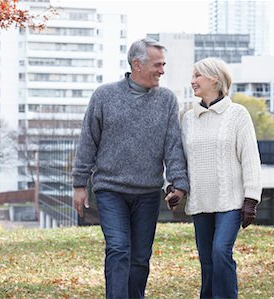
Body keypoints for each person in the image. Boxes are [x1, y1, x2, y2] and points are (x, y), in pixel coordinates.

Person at [72, 38, 189, 299]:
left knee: (139, 259)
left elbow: (173, 146)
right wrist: (80, 184)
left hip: (147, 193)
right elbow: (87, 141)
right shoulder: (104, 96)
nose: (162, 70)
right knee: (118, 249)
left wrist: (179, 183)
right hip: (110, 190)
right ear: (137, 64)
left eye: (163, 65)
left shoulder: (167, 100)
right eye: (157, 65)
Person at [166, 57, 262, 299]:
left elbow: (250, 158)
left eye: (198, 75)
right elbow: (181, 158)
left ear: (215, 79)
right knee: (207, 261)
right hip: (201, 202)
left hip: (230, 202)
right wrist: (176, 185)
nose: (192, 81)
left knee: (221, 252)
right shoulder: (188, 118)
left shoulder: (237, 114)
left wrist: (251, 199)